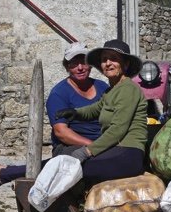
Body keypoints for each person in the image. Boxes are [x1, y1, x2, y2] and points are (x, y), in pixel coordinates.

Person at [0, 42, 108, 193]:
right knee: (77, 161)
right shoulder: (59, 94)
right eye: (74, 64)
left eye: (83, 62)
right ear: (67, 67)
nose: (80, 67)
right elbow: (61, 133)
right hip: (71, 147)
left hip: (103, 143)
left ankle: (2, 173)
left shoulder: (103, 87)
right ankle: (4, 174)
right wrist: (94, 146)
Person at [56, 39, 148, 186]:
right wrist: (75, 113)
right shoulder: (111, 90)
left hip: (128, 154)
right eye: (104, 59)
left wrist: (87, 151)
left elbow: (118, 129)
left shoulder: (128, 89)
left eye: (114, 59)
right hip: (117, 151)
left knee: (68, 169)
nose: (108, 63)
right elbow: (95, 109)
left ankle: (16, 176)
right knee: (64, 163)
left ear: (125, 64)